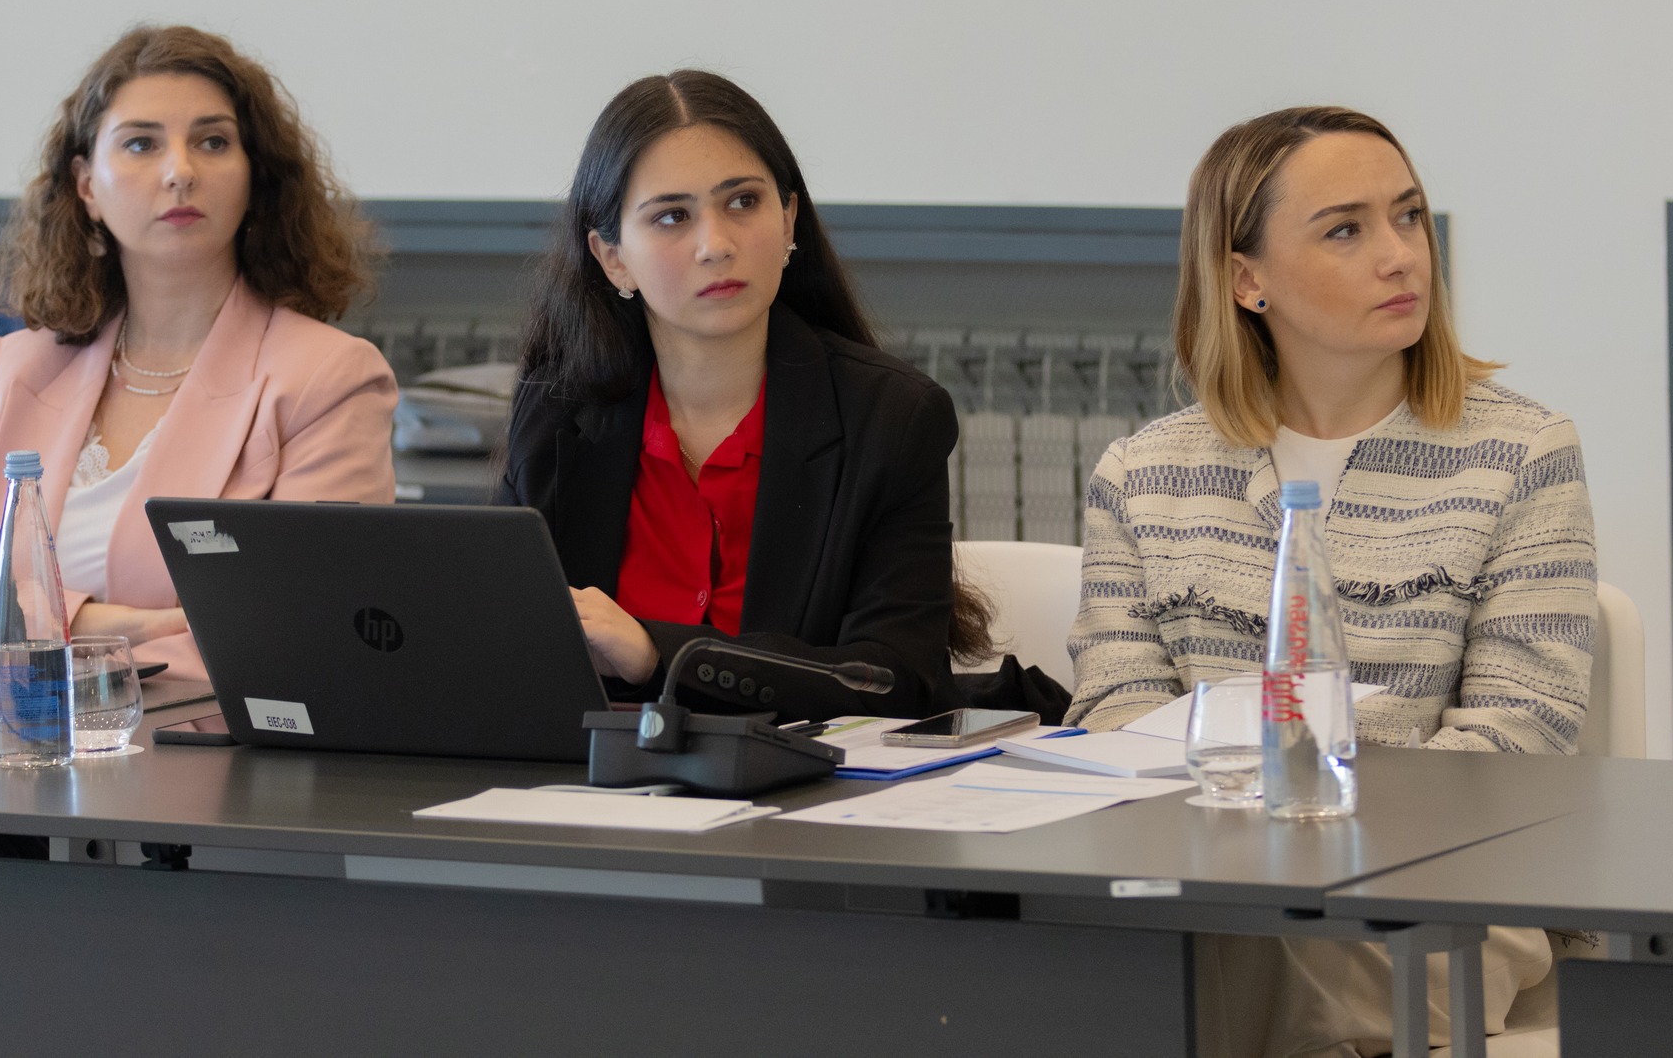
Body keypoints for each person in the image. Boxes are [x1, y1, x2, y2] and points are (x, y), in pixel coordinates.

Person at [0, 24, 396, 1058]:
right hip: (0, 791)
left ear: (255, 175)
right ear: (86, 185)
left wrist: (48, 633)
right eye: (141, 143)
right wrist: (115, 621)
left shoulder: (324, 377)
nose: (179, 171)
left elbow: (300, 643)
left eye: (212, 141)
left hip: (208, 808)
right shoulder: (18, 369)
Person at [1065, 105, 1595, 1056]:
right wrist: (1255, 828)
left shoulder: (1522, 451)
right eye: (1346, 229)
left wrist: (1306, 804)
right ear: (1247, 280)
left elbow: (1521, 735)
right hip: (1214, 887)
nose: (1401, 255)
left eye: (1409, 215)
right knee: (1171, 934)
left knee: (1192, 959)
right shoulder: (1140, 474)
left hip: (1446, 897)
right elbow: (1114, 714)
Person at [497, 69, 987, 721]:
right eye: (672, 216)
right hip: (595, 777)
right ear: (613, 258)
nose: (716, 245)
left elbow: (895, 681)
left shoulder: (892, 419)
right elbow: (502, 643)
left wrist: (657, 653)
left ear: (788, 220)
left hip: (813, 778)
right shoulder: (556, 414)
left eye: (743, 202)